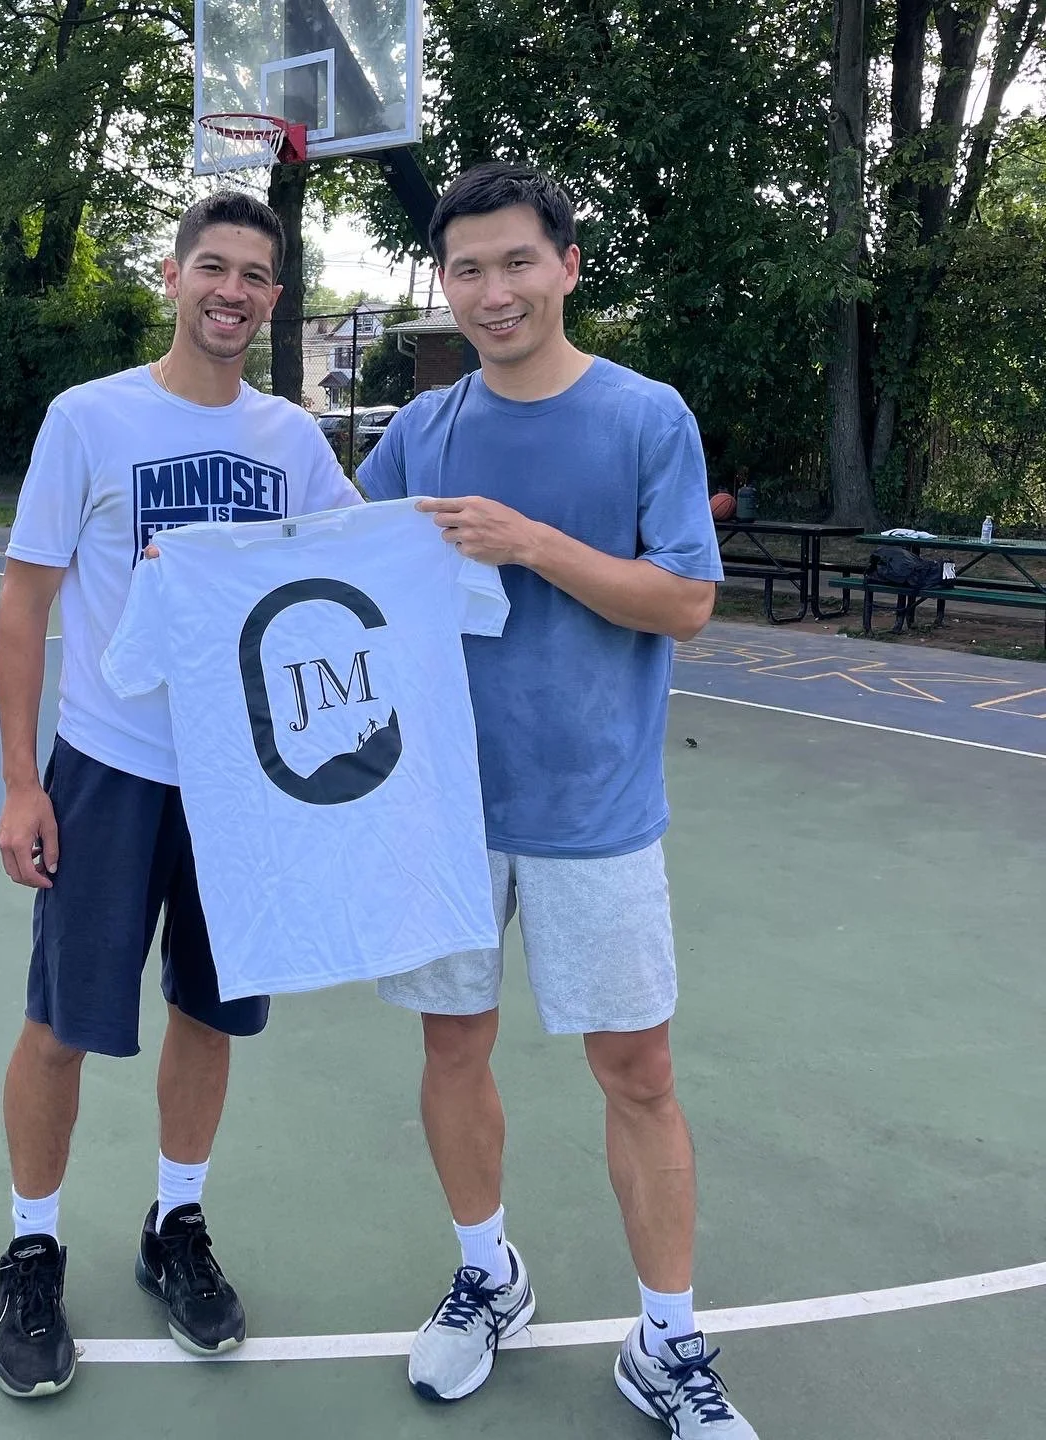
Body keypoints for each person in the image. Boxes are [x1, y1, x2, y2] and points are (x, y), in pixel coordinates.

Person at [357, 162, 755, 1437]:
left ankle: (669, 1341)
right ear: (446, 284)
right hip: (445, 814)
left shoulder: (647, 417)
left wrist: (529, 541)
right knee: (452, 1047)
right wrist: (200, 568)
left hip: (596, 812)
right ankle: (489, 1276)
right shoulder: (420, 433)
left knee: (637, 1070)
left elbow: (685, 605)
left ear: (568, 265)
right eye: (466, 268)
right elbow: (332, 578)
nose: (492, 290)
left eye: (517, 261)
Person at [0, 191, 361, 1398]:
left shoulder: (293, 444)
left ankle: (175, 1227)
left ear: (275, 296)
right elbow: (24, 606)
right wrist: (17, 785)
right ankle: (33, 1244)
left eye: (258, 275)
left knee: (211, 1011)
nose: (235, 291)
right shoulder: (89, 420)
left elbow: (359, 576)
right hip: (106, 770)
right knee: (60, 1024)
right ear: (172, 274)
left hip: (241, 784)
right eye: (216, 267)